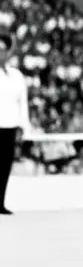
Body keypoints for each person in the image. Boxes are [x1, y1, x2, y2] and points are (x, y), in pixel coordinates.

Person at [0, 33, 30, 215]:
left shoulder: (16, 75)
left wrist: (23, 127)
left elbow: (23, 103)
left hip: (10, 126)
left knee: (4, 166)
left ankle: (0, 202)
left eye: (3, 50)